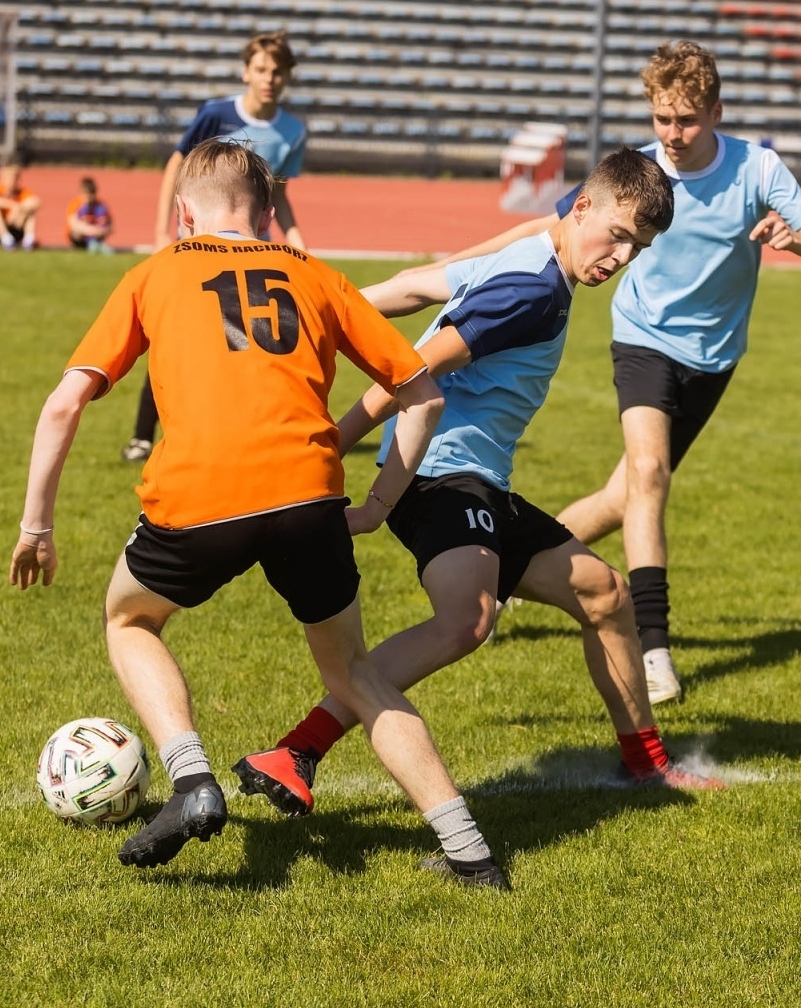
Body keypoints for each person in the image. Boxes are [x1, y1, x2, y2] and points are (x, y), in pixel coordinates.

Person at [9, 140, 509, 889]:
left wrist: (35, 528)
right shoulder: (317, 275)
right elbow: (423, 394)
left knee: (129, 621)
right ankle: (470, 853)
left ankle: (191, 780)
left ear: (184, 213)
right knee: (355, 675)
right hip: (310, 494)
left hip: (197, 494)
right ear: (271, 214)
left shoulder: (156, 273)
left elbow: (63, 404)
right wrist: (379, 501)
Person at [234, 149, 723, 827]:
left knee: (604, 595)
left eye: (637, 248)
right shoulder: (533, 290)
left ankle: (646, 763)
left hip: (481, 481)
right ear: (581, 207)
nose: (621, 258)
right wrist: (323, 456)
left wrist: (312, 307)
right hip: (438, 473)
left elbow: (413, 286)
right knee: (468, 619)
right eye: (617, 235)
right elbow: (405, 379)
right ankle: (297, 749)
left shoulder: (529, 254)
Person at [412, 40, 801, 703]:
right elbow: (545, 230)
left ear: (717, 112)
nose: (673, 135)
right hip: (643, 340)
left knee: (625, 498)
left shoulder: (757, 168)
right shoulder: (636, 176)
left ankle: (502, 574)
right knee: (649, 476)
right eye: (662, 118)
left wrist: (796, 236)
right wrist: (457, 267)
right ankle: (654, 650)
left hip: (715, 358)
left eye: (688, 120)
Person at [125, 29, 309, 463]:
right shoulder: (215, 114)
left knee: (245, 343)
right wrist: (162, 233)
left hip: (252, 254)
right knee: (176, 337)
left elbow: (277, 194)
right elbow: (177, 167)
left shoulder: (293, 131)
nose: (269, 78)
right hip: (197, 250)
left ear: (287, 78)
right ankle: (142, 435)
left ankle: (242, 433)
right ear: (246, 71)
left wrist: (299, 244)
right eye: (262, 69)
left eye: (278, 71)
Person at [0, 158, 40, 250]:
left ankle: (28, 240)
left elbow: (36, 202)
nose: (11, 181)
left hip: (16, 226)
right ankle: (6, 239)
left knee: (30, 212)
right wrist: (12, 205)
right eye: (8, 178)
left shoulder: (22, 192)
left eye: (14, 178)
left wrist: (20, 208)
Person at [66, 176, 113, 252]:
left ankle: (96, 245)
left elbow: (109, 225)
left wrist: (103, 230)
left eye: (91, 195)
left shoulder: (100, 206)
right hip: (80, 237)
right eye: (86, 195)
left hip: (96, 236)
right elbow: (74, 224)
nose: (89, 199)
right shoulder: (75, 204)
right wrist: (93, 230)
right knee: (76, 233)